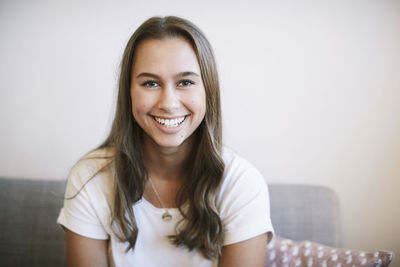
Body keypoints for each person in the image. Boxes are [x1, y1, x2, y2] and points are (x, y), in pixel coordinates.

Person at [57, 16, 274, 267]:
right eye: (150, 83)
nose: (169, 103)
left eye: (185, 82)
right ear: (128, 92)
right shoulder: (90, 178)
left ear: (208, 91)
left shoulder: (242, 184)